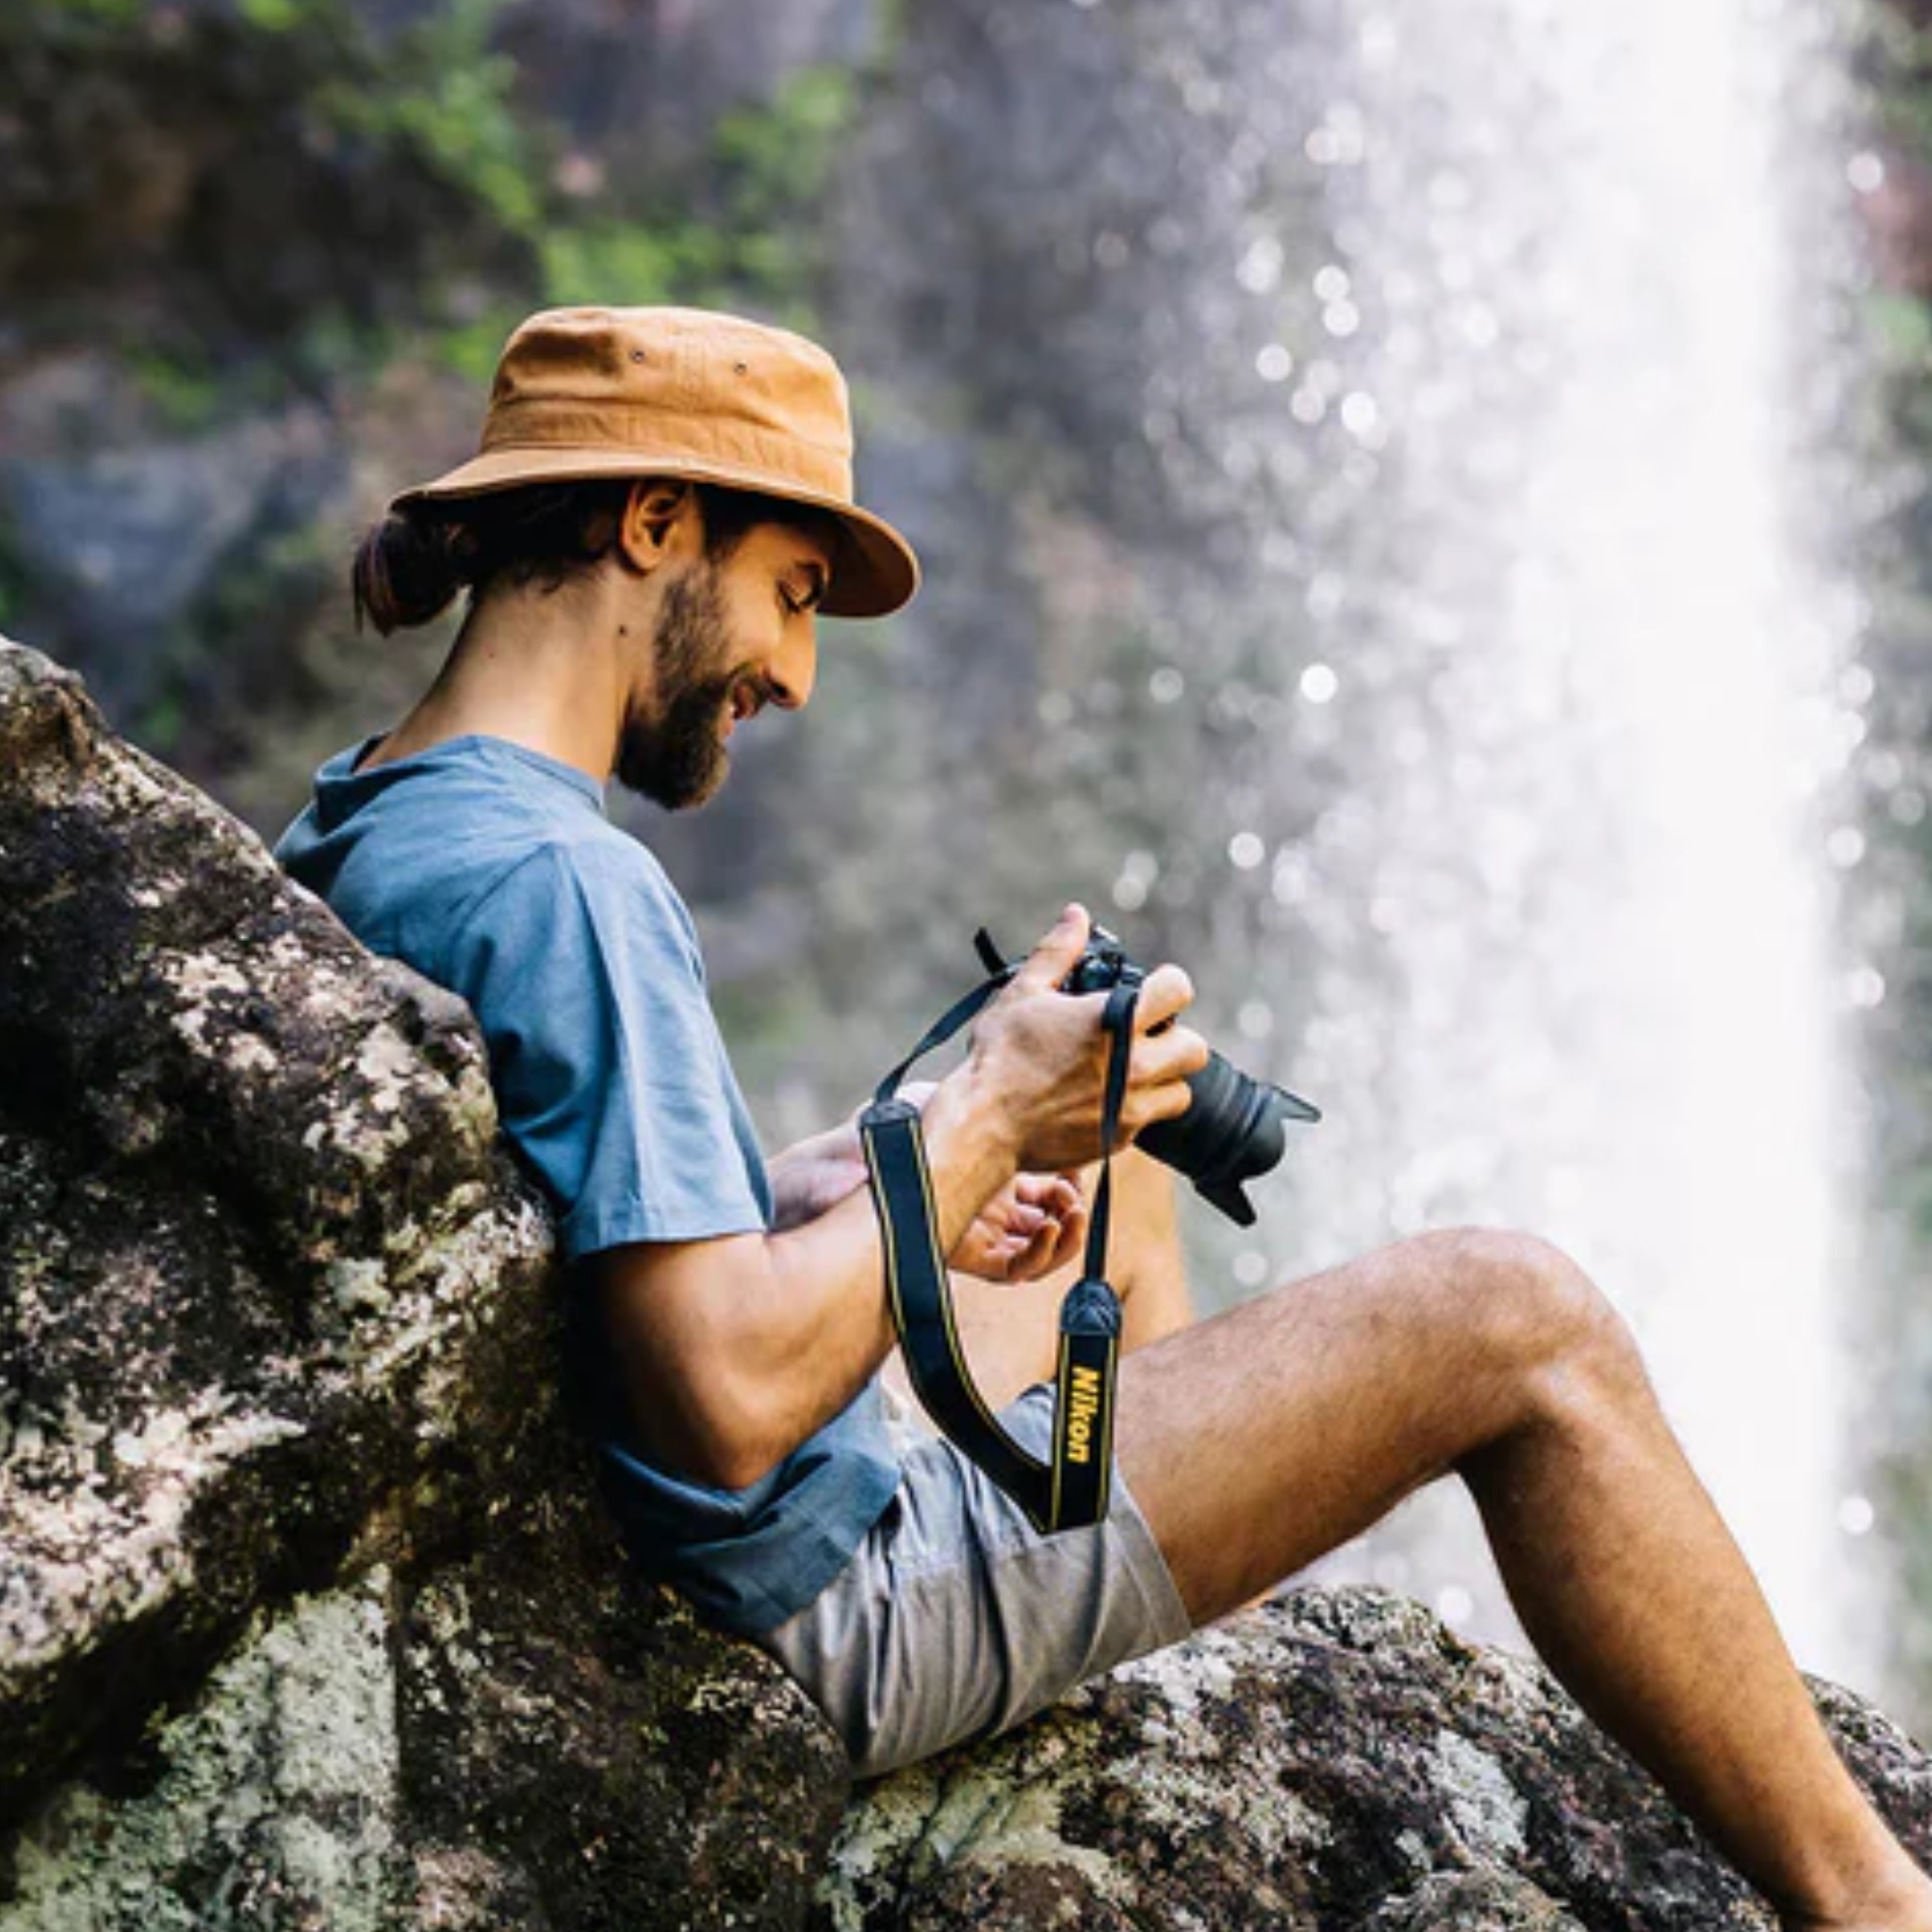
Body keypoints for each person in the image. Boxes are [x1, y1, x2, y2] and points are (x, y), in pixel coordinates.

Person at [276, 304, 1932, 1930]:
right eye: (790, 596)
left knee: (1121, 1178)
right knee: (1515, 1318)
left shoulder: (359, 829)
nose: (790, 674)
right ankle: (1873, 1905)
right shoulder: (575, 884)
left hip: (679, 1540)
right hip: (819, 1605)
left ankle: (1237, 1663)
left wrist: (834, 1181)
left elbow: (557, 1239)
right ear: (655, 524)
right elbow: (720, 1405)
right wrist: (986, 1112)